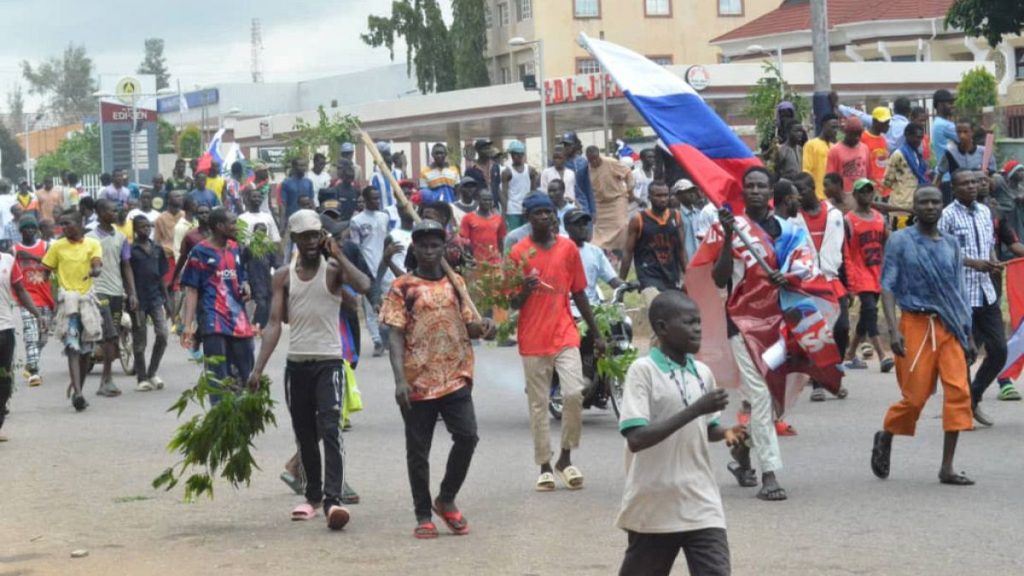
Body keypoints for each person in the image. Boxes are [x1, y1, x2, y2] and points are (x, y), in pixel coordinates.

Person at [250, 209, 370, 530]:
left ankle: (334, 501)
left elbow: (365, 285)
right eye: (304, 237)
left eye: (315, 235)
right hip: (297, 365)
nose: (311, 242)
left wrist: (340, 255)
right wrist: (257, 369)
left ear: (322, 237)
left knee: (330, 430)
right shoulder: (283, 276)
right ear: (294, 240)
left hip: (329, 362)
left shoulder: (333, 270)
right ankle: (313, 496)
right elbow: (274, 324)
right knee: (304, 434)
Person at [380, 218, 494, 539]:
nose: (429, 251)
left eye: (435, 245)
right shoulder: (402, 287)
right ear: (414, 248)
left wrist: (485, 326)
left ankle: (445, 498)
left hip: (455, 375)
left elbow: (470, 325)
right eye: (423, 245)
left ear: (444, 248)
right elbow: (394, 337)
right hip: (417, 381)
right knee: (418, 450)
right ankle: (422, 514)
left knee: (468, 437)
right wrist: (399, 380)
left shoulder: (456, 282)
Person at [616, 291, 743, 576]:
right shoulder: (643, 371)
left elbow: (706, 428)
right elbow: (636, 439)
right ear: (662, 327)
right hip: (655, 502)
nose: (698, 328)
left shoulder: (702, 372)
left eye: (699, 322)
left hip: (701, 499)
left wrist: (728, 433)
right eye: (689, 322)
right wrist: (696, 409)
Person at [871, 185, 975, 486]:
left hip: (949, 326)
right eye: (923, 202)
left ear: (942, 206)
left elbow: (959, 292)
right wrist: (893, 330)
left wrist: (967, 333)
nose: (929, 206)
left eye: (935, 202)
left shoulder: (951, 244)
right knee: (915, 398)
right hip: (915, 324)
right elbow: (887, 286)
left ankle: (947, 467)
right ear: (913, 207)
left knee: (958, 392)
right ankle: (887, 433)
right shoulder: (901, 241)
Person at [508, 193, 605, 492]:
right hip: (533, 337)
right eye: (538, 213)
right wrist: (525, 289)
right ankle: (544, 465)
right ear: (528, 217)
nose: (545, 218)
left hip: (565, 332)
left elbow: (578, 293)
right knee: (538, 405)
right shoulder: (519, 253)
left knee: (574, 392)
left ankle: (566, 457)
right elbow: (511, 301)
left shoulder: (567, 249)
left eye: (549, 213)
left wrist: (596, 331)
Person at [712, 167, 789, 501]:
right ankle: (769, 473)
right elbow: (719, 279)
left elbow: (803, 271)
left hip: (779, 324)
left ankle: (740, 455)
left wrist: (789, 279)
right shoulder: (733, 228)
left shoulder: (786, 230)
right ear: (743, 192)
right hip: (742, 322)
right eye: (751, 186)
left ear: (770, 190)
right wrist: (729, 237)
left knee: (771, 400)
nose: (756, 190)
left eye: (762, 185)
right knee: (758, 395)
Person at [938, 169, 1006, 426]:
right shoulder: (946, 216)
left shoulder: (985, 211)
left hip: (986, 292)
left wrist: (992, 260)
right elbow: (942, 252)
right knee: (964, 354)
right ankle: (959, 409)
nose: (971, 187)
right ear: (954, 189)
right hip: (961, 294)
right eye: (964, 184)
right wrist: (972, 263)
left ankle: (973, 397)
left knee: (999, 350)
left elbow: (988, 244)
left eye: (973, 182)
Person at [180, 208, 255, 388]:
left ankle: (246, 410)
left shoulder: (236, 248)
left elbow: (241, 277)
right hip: (213, 318)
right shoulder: (200, 252)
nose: (237, 227)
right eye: (233, 223)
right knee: (217, 374)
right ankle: (218, 409)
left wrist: (246, 286)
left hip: (238, 319)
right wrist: (188, 326)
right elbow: (191, 290)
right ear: (220, 226)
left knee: (247, 369)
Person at [43, 209, 103, 412]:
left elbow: (96, 264)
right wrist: (48, 297)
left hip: (86, 303)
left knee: (86, 351)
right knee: (73, 347)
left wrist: (95, 270)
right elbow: (46, 272)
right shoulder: (57, 247)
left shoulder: (92, 244)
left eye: (68, 223)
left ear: (80, 223)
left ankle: (79, 389)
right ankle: (78, 393)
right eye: (62, 224)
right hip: (68, 304)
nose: (64, 228)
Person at [840, 179, 893, 378]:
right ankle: (882, 355)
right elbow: (845, 249)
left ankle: (851, 352)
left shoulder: (880, 218)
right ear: (855, 195)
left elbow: (889, 241)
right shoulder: (849, 220)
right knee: (870, 309)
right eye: (862, 192)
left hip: (877, 271)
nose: (866, 195)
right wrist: (849, 279)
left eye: (869, 191)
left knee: (866, 315)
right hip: (859, 272)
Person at [87, 199, 137, 398]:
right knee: (110, 333)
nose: (115, 212)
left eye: (116, 209)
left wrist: (131, 292)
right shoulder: (89, 238)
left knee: (114, 335)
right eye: (110, 209)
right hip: (98, 290)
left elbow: (126, 266)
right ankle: (104, 380)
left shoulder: (122, 237)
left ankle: (106, 379)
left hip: (117, 291)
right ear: (99, 212)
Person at [0, 239, 45, 440]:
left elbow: (20, 290)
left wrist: (37, 314)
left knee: (4, 379)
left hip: (4, 329)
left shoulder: (8, 261)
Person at [128, 215, 172, 392]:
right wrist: (131, 295)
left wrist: (167, 300)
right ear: (135, 229)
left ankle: (152, 371)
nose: (146, 229)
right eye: (142, 226)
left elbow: (161, 276)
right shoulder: (131, 250)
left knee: (163, 334)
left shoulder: (157, 249)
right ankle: (142, 377)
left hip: (155, 298)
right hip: (138, 299)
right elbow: (127, 274)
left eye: (148, 226)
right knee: (140, 340)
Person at [620, 181, 686, 297]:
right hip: (649, 276)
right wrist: (621, 284)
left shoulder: (676, 216)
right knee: (657, 305)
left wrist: (688, 275)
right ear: (650, 197)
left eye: (666, 195)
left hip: (671, 274)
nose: (663, 199)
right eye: (659, 196)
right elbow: (628, 252)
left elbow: (681, 249)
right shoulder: (638, 220)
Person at [350, 187, 391, 357]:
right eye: (373, 199)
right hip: (368, 268)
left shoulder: (384, 217)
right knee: (370, 307)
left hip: (385, 268)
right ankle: (377, 341)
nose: (377, 201)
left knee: (390, 303)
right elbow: (356, 248)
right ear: (365, 200)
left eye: (378, 198)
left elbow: (387, 240)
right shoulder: (357, 221)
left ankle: (389, 335)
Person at [13, 216, 52, 387]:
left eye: (32, 228)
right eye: (26, 228)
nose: (29, 231)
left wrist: (32, 257)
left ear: (37, 230)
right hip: (26, 299)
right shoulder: (14, 250)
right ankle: (34, 372)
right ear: (21, 231)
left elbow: (52, 267)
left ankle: (31, 362)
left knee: (43, 337)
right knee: (31, 335)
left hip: (45, 297)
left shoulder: (45, 247)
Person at [587, 145, 635, 253]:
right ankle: (604, 253)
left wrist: (630, 191)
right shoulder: (587, 168)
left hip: (617, 199)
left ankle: (622, 252)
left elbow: (628, 173)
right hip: (600, 203)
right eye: (591, 160)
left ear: (599, 155)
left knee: (621, 225)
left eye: (595, 158)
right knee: (599, 230)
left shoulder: (610, 162)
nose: (594, 162)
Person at [881, 123, 928, 229]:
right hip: (901, 207)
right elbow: (887, 181)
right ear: (907, 135)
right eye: (917, 137)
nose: (919, 141)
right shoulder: (898, 154)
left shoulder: (917, 154)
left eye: (921, 138)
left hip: (916, 205)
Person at [934, 119, 997, 189]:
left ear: (972, 132)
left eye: (965, 132)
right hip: (958, 196)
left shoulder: (984, 152)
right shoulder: (950, 153)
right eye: (959, 132)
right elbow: (939, 176)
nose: (962, 136)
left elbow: (994, 185)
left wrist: (985, 176)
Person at [458, 188, 505, 265]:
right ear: (478, 200)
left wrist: (502, 258)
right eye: (485, 200)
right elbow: (464, 241)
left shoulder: (498, 219)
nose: (487, 202)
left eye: (490, 200)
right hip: (476, 261)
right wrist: (469, 258)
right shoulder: (468, 218)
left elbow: (500, 240)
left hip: (494, 262)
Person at [500, 140, 538, 230]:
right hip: (512, 209)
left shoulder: (530, 170)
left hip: (527, 208)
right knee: (514, 234)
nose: (519, 156)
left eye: (521, 154)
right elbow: (504, 194)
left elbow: (533, 191)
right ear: (512, 155)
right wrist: (504, 213)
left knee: (527, 234)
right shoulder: (507, 172)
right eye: (516, 154)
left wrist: (533, 207)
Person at [826, 116, 870, 196]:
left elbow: (868, 173)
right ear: (846, 133)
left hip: (861, 195)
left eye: (859, 135)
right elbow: (831, 179)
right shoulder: (835, 150)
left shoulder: (865, 148)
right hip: (844, 196)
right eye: (854, 134)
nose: (857, 138)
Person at [803, 113, 838, 199]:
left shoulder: (834, 147)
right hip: (817, 196)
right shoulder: (811, 144)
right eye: (833, 127)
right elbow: (806, 171)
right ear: (824, 125)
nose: (835, 130)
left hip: (832, 197)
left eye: (837, 128)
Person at [562, 132, 595, 215]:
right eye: (564, 145)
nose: (566, 148)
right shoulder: (559, 163)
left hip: (583, 205)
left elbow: (588, 187)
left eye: (569, 145)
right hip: (565, 205)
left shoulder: (583, 163)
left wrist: (593, 211)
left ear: (575, 145)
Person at [281, 157, 315, 228]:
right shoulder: (286, 183)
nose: (303, 168)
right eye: (301, 165)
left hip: (306, 219)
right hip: (292, 219)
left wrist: (314, 216)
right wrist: (283, 223)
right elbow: (283, 205)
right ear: (294, 167)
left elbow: (311, 201)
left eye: (304, 165)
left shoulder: (309, 182)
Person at [675, 179, 704, 261]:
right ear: (678, 195)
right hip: (685, 259)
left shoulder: (699, 214)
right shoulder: (676, 215)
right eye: (687, 191)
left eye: (692, 191)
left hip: (700, 258)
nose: (692, 194)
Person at [930, 89, 959, 164]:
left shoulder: (937, 122)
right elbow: (966, 141)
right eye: (950, 103)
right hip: (950, 172)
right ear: (940, 105)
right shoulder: (945, 125)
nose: (953, 106)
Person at [631, 148, 656, 215]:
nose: (652, 159)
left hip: (649, 206)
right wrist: (638, 200)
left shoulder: (654, 173)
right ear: (642, 159)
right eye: (649, 157)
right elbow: (626, 190)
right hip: (635, 207)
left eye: (653, 157)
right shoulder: (635, 173)